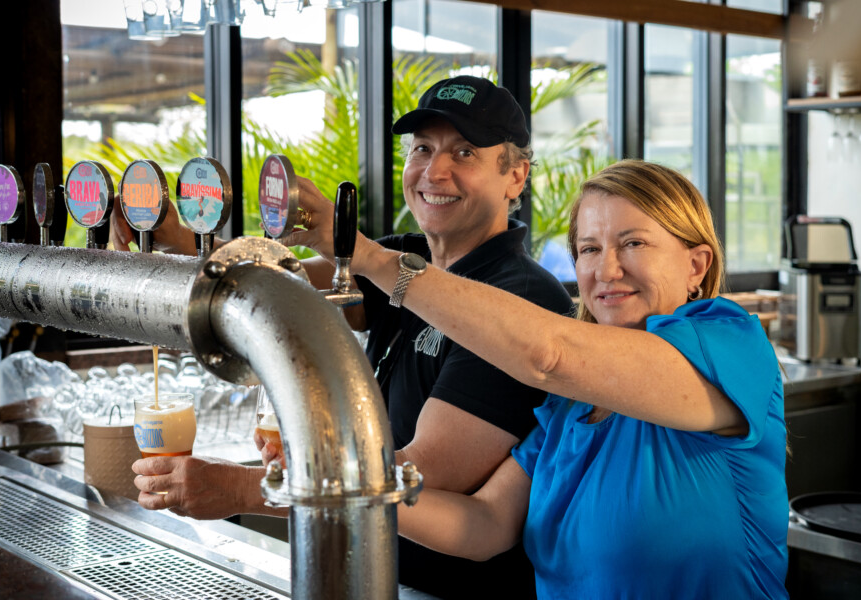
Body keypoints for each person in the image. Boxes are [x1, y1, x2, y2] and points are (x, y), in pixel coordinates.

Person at [113, 76, 574, 599]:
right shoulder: (406, 261)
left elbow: (427, 470)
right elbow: (269, 285)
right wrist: (175, 237)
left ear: (515, 176)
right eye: (423, 148)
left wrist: (243, 488)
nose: (434, 171)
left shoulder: (522, 298)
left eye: (464, 152)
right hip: (373, 572)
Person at [287, 159, 789, 598]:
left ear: (696, 265)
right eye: (589, 249)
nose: (607, 270)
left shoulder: (729, 345)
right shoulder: (570, 405)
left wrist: (370, 257)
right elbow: (483, 525)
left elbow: (549, 353)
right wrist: (322, 480)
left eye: (632, 242)